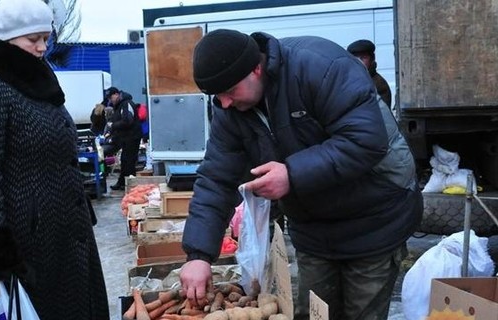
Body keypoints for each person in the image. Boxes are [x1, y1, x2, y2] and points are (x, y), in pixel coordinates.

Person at [179, 29, 423, 320]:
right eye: (218, 97)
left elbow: (365, 141)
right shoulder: (228, 108)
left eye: (230, 92)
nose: (226, 103)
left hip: (374, 219)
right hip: (314, 231)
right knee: (314, 314)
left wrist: (292, 174)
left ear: (256, 68)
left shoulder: (319, 66)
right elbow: (217, 179)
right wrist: (199, 255)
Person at [0, 0, 110, 319]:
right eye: (33, 39)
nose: (42, 47)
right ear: (7, 38)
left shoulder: (37, 83)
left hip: (64, 239)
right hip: (24, 250)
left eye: (45, 39)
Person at [103, 86, 142, 190]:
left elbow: (128, 121)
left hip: (132, 137)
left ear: (116, 94)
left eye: (111, 98)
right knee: (124, 160)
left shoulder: (126, 104)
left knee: (129, 161)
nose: (110, 100)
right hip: (126, 137)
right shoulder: (120, 105)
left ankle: (131, 184)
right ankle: (122, 183)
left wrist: (113, 125)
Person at [347, 39, 392, 108]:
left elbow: (382, 113)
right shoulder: (347, 80)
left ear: (372, 59)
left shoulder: (379, 84)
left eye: (364, 58)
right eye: (356, 58)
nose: (359, 61)